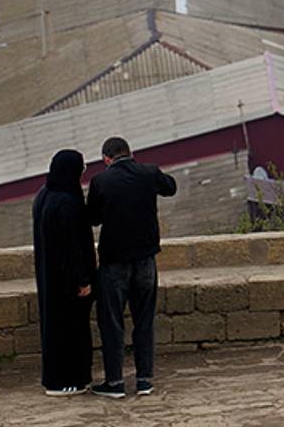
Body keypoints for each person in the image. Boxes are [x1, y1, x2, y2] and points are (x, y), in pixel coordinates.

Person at [86, 136, 177, 399]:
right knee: (144, 320)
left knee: (112, 322)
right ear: (130, 152)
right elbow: (170, 187)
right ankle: (144, 380)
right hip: (146, 259)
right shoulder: (148, 172)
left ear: (106, 158)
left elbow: (92, 218)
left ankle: (114, 382)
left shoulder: (101, 181)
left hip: (114, 262)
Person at [32, 150, 96, 397]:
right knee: (72, 332)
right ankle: (69, 380)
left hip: (50, 278)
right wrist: (82, 281)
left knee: (54, 331)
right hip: (68, 283)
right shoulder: (66, 202)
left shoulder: (44, 195)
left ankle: (56, 379)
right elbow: (72, 247)